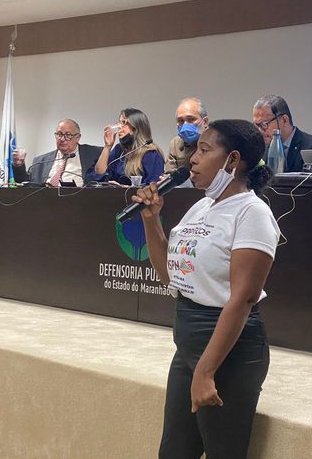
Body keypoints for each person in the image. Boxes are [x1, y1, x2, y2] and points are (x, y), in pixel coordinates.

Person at [133, 119, 280, 458]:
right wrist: (151, 220)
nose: (193, 159)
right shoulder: (201, 207)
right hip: (188, 342)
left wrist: (206, 369)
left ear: (233, 160)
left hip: (229, 349)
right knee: (174, 451)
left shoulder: (252, 212)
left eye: (204, 150)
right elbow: (170, 276)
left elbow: (243, 298)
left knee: (222, 452)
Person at [13, 118, 101, 186]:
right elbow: (26, 184)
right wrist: (18, 165)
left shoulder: (94, 154)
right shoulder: (40, 161)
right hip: (45, 200)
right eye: (59, 134)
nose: (62, 139)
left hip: (80, 200)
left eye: (68, 135)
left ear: (78, 137)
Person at [88, 108, 165, 185]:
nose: (119, 127)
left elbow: (152, 185)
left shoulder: (152, 154)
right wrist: (107, 146)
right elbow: (98, 174)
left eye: (124, 122)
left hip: (138, 193)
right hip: (115, 192)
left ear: (136, 127)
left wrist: (122, 188)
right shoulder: (119, 150)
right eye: (119, 122)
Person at [252, 94, 312, 172]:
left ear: (284, 120)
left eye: (264, 124)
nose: (259, 131)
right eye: (256, 125)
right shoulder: (261, 149)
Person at [165, 97, 209, 172]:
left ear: (205, 122)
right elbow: (170, 174)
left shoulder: (216, 143)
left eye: (191, 119)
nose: (185, 125)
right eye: (181, 120)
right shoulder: (175, 144)